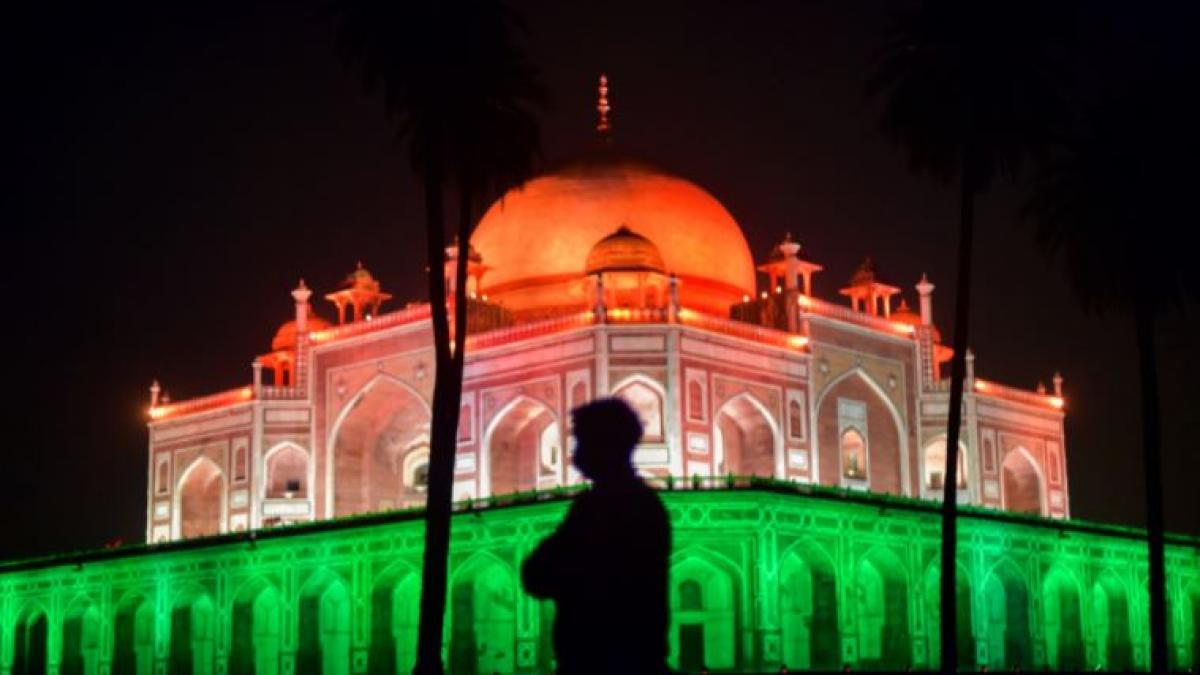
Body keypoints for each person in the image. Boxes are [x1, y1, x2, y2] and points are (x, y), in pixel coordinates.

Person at [521, 397, 672, 674]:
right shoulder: (642, 504)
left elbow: (537, 574)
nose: (576, 454)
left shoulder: (600, 508)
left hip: (599, 660)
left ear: (603, 446)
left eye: (581, 442)